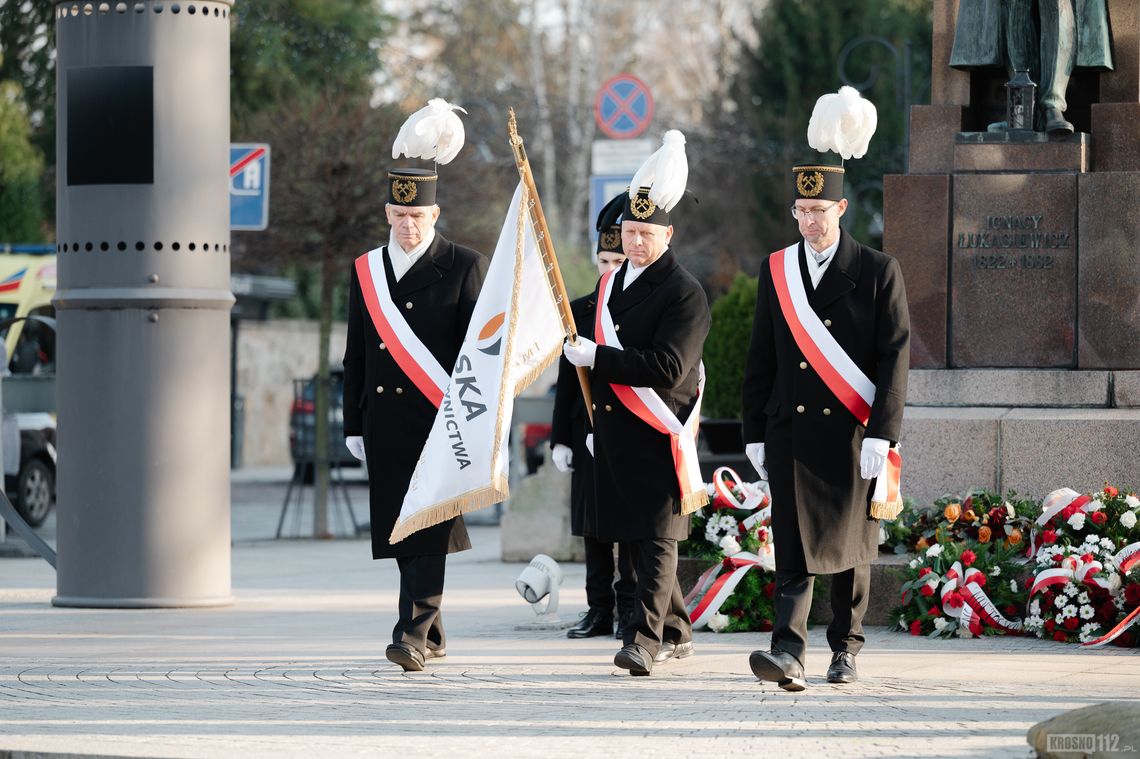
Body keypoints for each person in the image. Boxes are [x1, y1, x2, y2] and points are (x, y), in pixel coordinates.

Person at [742, 159, 910, 691]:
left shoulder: (879, 270)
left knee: (849, 547)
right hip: (789, 431)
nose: (809, 222)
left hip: (853, 431)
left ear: (841, 208)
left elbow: (894, 360)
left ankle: (846, 647)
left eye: (819, 211)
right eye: (801, 211)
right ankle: (787, 652)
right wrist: (752, 432)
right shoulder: (776, 270)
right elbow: (761, 356)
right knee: (791, 544)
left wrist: (883, 433)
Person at [342, 103, 488, 673]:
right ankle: (433, 629)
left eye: (420, 216)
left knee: (429, 523)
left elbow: (479, 355)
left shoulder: (464, 266)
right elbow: (355, 353)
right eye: (401, 216)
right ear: (388, 212)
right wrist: (353, 422)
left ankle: (412, 629)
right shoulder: (366, 271)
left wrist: (478, 423)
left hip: (440, 422)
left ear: (435, 212)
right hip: (384, 425)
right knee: (402, 529)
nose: (410, 226)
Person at [563, 130, 711, 676]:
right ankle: (674, 627)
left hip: (656, 431)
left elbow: (668, 367)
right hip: (613, 434)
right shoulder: (609, 285)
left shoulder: (683, 291)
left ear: (667, 233)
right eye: (629, 231)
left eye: (646, 233)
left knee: (655, 541)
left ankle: (642, 640)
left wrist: (599, 358)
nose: (635, 242)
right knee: (631, 541)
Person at [550, 200, 636, 640]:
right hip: (586, 431)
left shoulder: (636, 306)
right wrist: (560, 438)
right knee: (593, 526)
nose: (609, 269)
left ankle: (629, 608)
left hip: (631, 429)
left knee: (630, 527)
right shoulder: (580, 310)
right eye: (603, 260)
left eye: (618, 261)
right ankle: (597, 608)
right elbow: (566, 379)